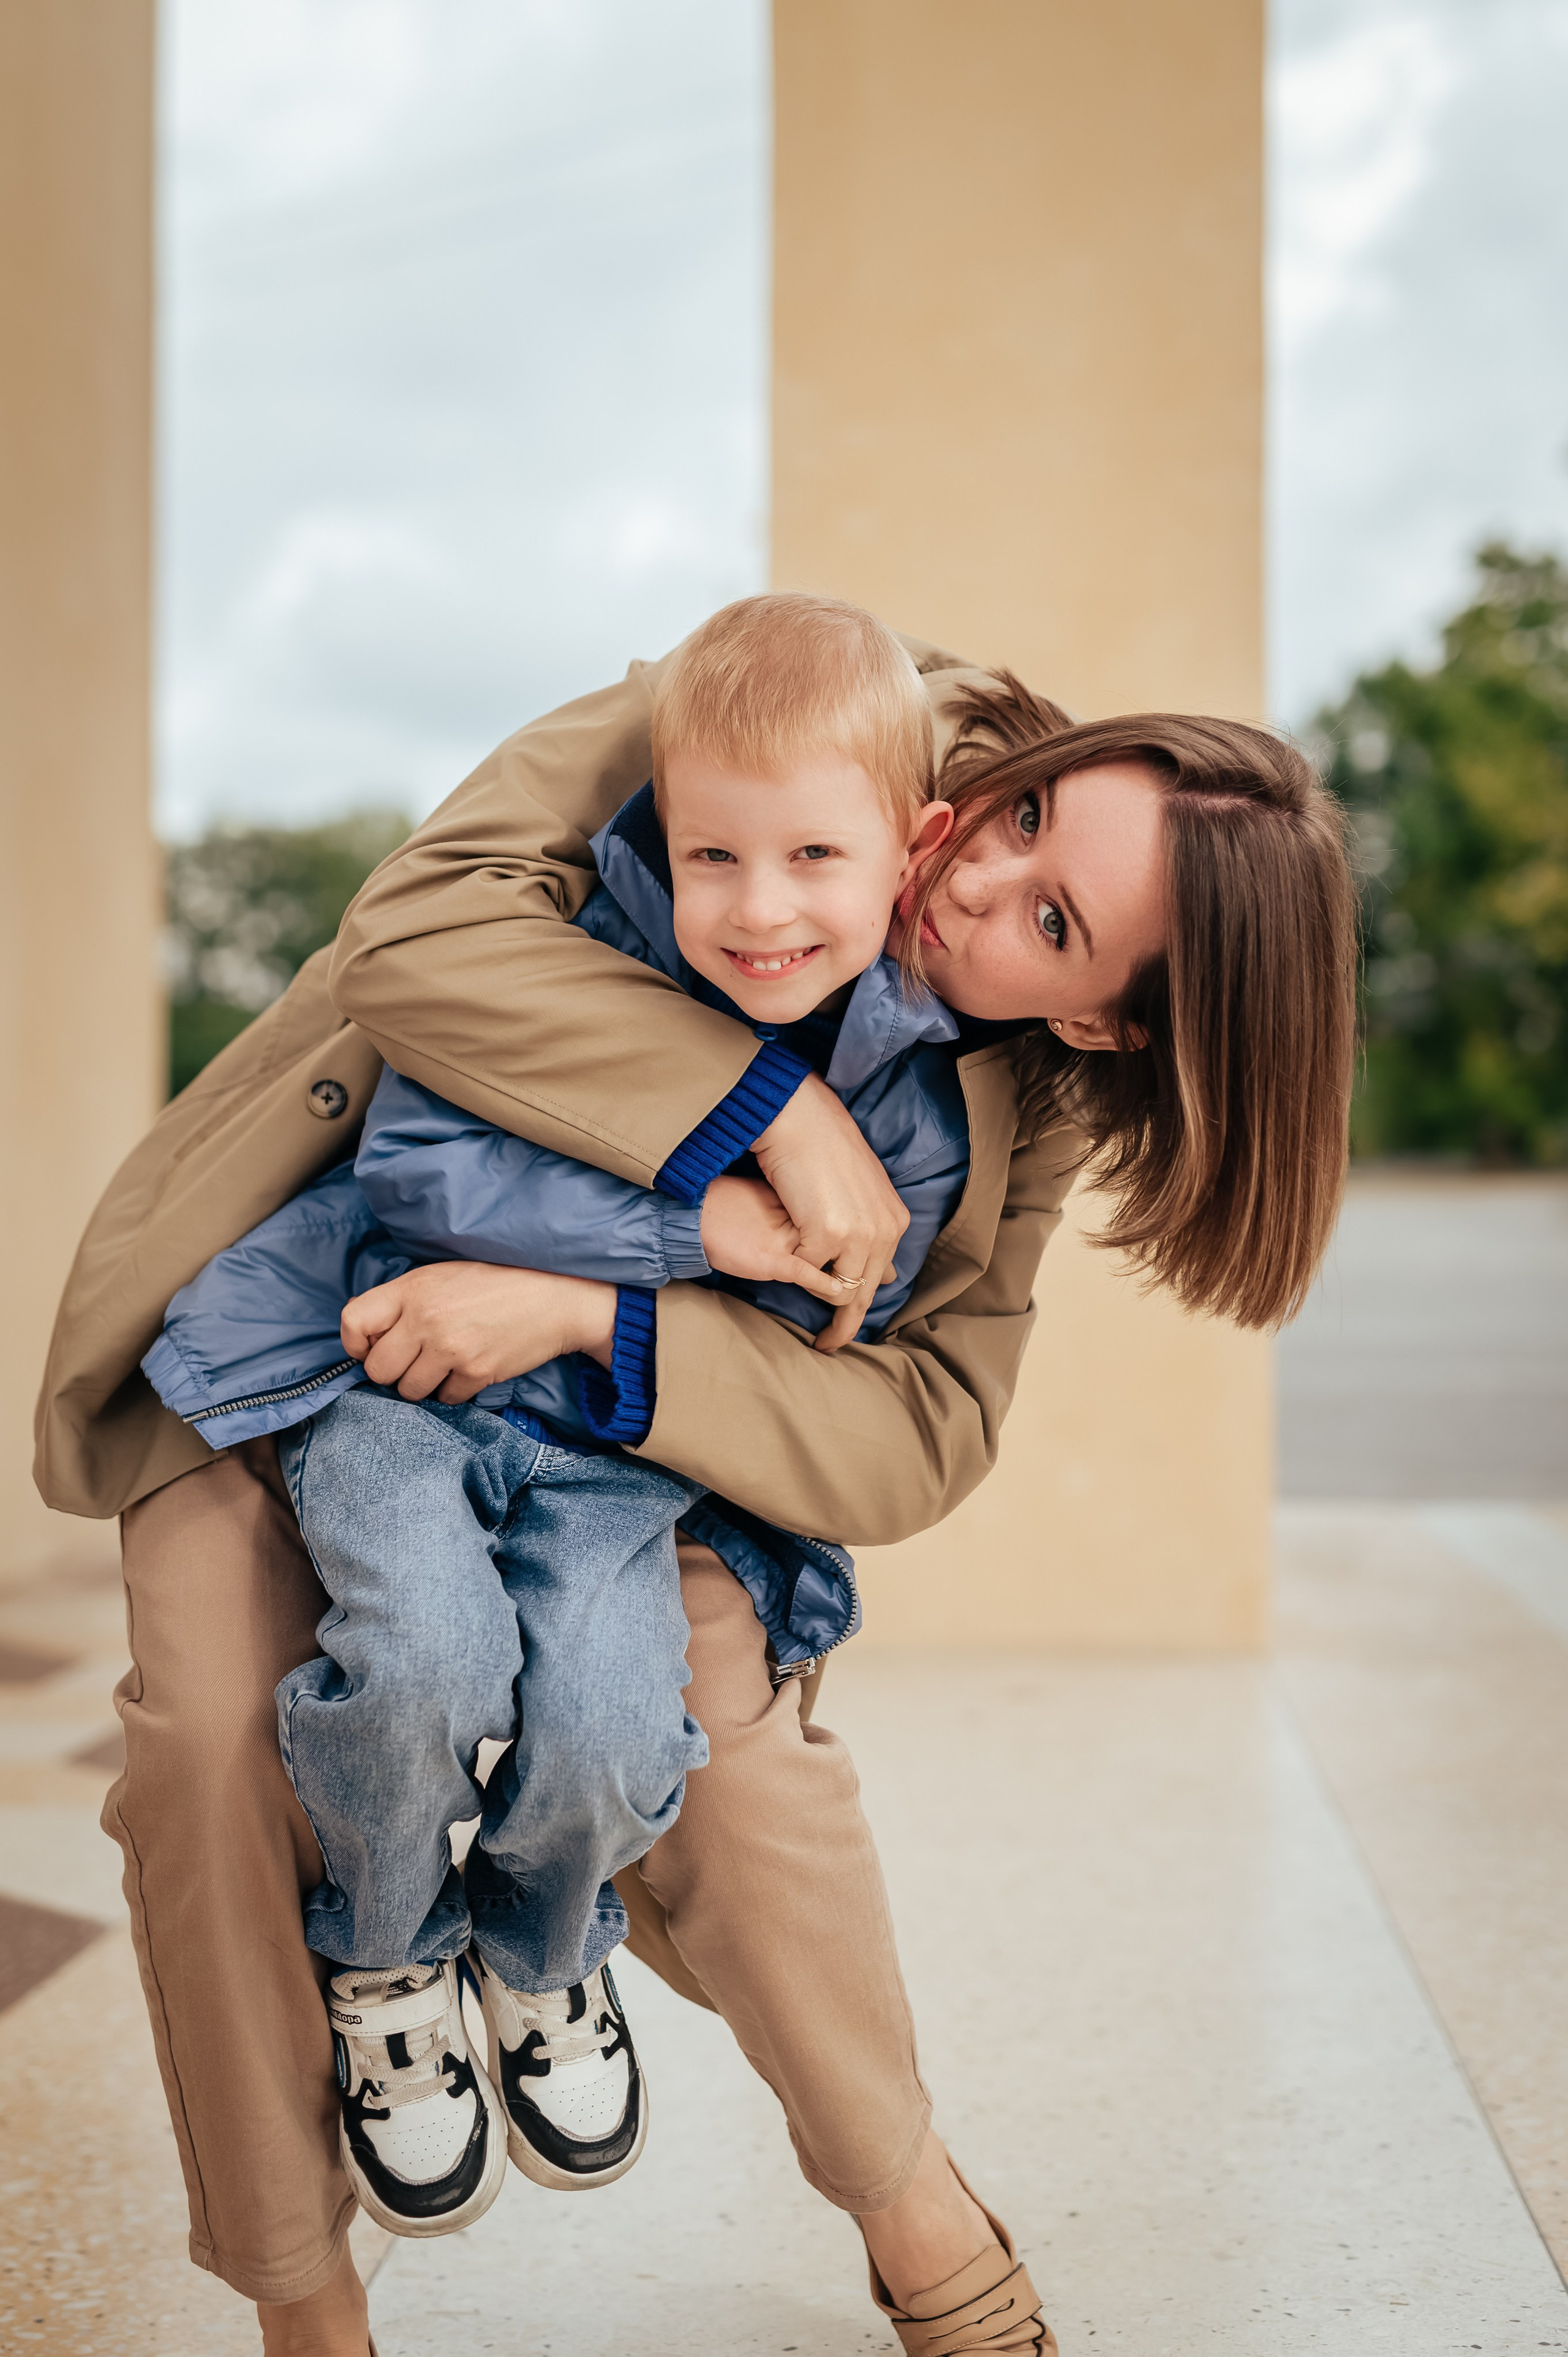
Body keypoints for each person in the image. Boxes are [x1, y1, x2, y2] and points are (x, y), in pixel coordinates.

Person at [36, 625, 1356, 2357]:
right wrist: (765, 1124)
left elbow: (926, 1423)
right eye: (1025, 812)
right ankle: (309, 2306)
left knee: (723, 1752)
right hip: (316, 1308)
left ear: (1103, 1018)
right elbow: (417, 935)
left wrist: (597, 1313)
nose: (973, 874)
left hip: (616, 1431)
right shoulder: (804, 709)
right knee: (214, 1737)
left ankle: (914, 2217)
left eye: (1051, 921)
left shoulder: (1018, 1105)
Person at [140, 595, 968, 2237]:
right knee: (421, 1670)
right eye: (716, 856)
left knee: (608, 1727)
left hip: (618, 1463)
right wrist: (704, 1227)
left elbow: (826, 1310)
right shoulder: (561, 957)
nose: (759, 909)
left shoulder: (913, 1101)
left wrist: (613, 1278)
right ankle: (385, 1960)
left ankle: (540, 1951)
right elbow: (422, 1173)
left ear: (911, 851)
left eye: (814, 858)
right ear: (663, 828)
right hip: (399, 1391)